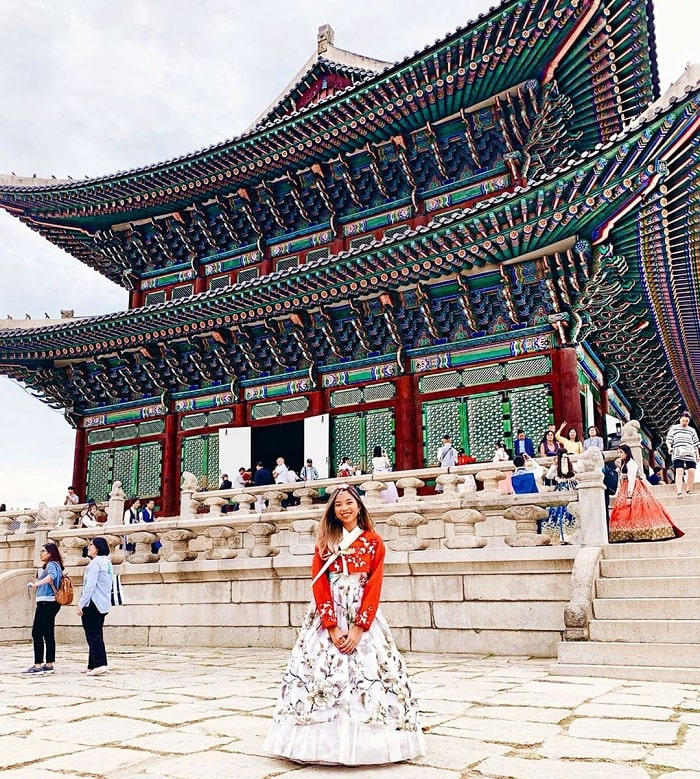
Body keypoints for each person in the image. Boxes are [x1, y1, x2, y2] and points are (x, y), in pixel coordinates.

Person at [264, 484, 425, 765]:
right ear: (333, 511)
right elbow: (319, 584)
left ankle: (372, 740)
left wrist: (361, 626)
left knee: (373, 674)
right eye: (338, 505)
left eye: (349, 503)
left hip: (362, 611)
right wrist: (331, 625)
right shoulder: (325, 543)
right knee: (320, 672)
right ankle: (318, 742)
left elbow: (374, 585)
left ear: (359, 507)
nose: (344, 508)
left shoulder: (373, 541)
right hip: (329, 613)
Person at [609, 445, 684, 542]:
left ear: (626, 453)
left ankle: (641, 532)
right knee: (623, 511)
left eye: (621, 452)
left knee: (638, 509)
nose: (619, 454)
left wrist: (629, 496)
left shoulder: (631, 464)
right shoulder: (624, 463)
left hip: (634, 487)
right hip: (625, 487)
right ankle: (627, 533)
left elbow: (632, 479)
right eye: (618, 452)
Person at [22, 542, 64, 675]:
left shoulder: (51, 565)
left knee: (37, 633)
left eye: (43, 551)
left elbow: (52, 576)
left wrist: (36, 584)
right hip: (52, 603)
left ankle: (38, 664)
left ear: (50, 553)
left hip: (46, 602)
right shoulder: (57, 564)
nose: (41, 553)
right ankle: (49, 663)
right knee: (48, 633)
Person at [78, 537, 114, 676]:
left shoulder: (94, 564)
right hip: (103, 603)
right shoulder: (107, 563)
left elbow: (90, 586)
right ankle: (92, 664)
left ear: (98, 548)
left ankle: (100, 663)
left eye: (91, 545)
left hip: (92, 602)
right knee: (96, 633)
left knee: (92, 635)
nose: (88, 547)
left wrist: (81, 603)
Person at [541, 448, 578, 543]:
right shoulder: (571, 465)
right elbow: (578, 472)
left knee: (557, 511)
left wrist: (554, 465)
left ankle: (558, 536)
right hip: (570, 488)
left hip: (561, 488)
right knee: (569, 511)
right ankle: (570, 535)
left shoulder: (556, 466)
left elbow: (548, 476)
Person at [666, 411, 699, 497]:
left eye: (686, 421)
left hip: (690, 452)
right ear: (680, 419)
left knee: (692, 471)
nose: (685, 422)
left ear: (689, 421)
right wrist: (670, 448)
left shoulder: (692, 430)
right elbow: (669, 440)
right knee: (679, 470)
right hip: (678, 451)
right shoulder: (674, 428)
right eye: (683, 420)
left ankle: (688, 489)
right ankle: (679, 491)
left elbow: (695, 443)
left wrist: (697, 454)